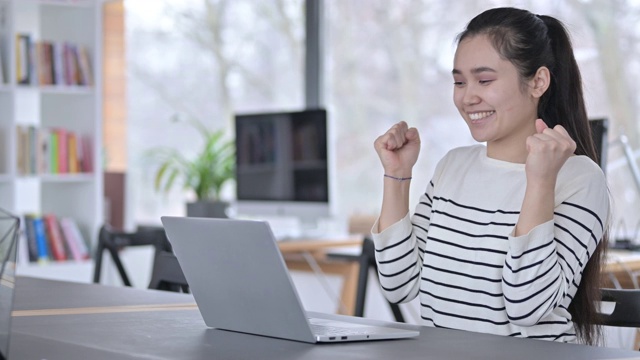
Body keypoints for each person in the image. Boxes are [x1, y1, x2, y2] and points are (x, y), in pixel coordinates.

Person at [372, 7, 609, 345]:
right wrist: (396, 176)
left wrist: (540, 181)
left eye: (484, 80)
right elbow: (399, 285)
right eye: (458, 81)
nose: (468, 97)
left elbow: (527, 307)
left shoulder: (580, 178)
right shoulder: (452, 166)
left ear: (538, 81)